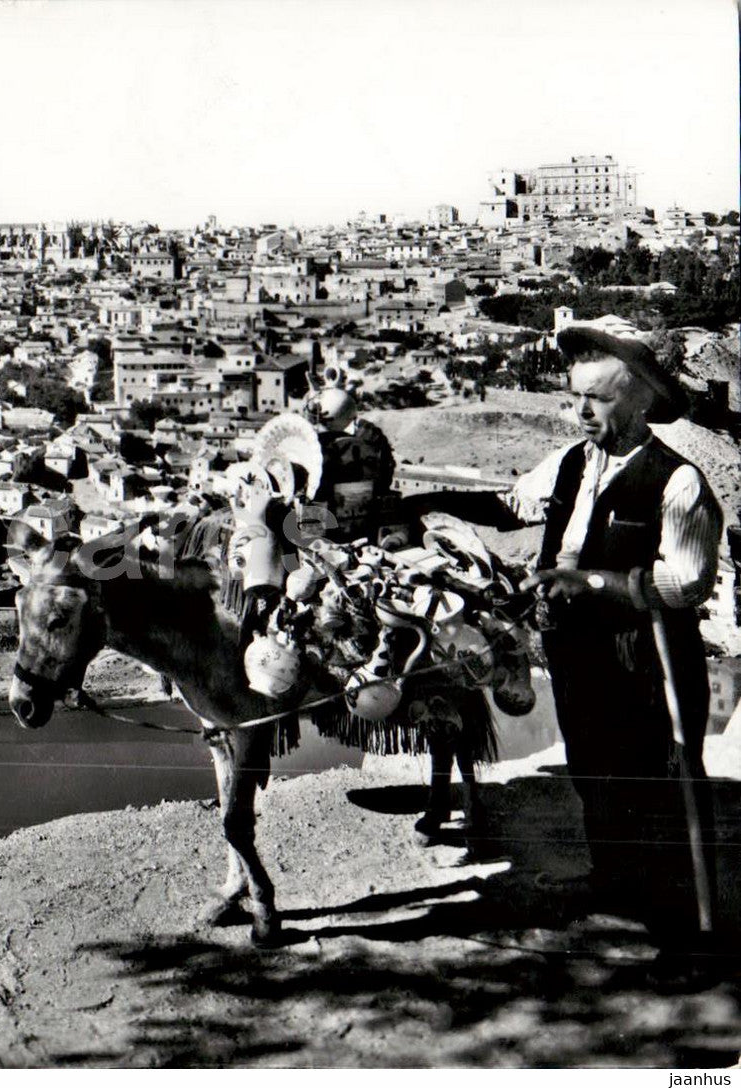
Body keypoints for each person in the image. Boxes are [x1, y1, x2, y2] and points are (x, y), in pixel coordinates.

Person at [408, 326, 722, 963]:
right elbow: (514, 503)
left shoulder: (678, 482)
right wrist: (426, 501)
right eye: (575, 397)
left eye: (597, 401)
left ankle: (680, 927)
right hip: (580, 654)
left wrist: (594, 581)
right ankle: (613, 886)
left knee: (654, 780)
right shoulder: (574, 461)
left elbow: (688, 583)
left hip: (646, 659)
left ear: (638, 402)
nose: (580, 412)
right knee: (592, 769)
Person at [305, 387, 398, 543]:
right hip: (364, 531)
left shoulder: (310, 449)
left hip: (319, 533)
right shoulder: (371, 444)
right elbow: (385, 481)